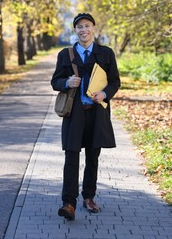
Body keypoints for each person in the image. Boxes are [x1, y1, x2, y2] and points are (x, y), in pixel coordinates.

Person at [51, 13, 121, 220]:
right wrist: (66, 82)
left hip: (97, 113)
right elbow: (55, 81)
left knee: (92, 157)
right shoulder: (66, 54)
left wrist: (105, 93)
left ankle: (89, 197)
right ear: (75, 30)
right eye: (79, 27)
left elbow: (115, 82)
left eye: (87, 26)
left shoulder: (106, 53)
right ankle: (68, 203)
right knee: (71, 157)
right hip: (75, 114)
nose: (84, 30)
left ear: (93, 28)